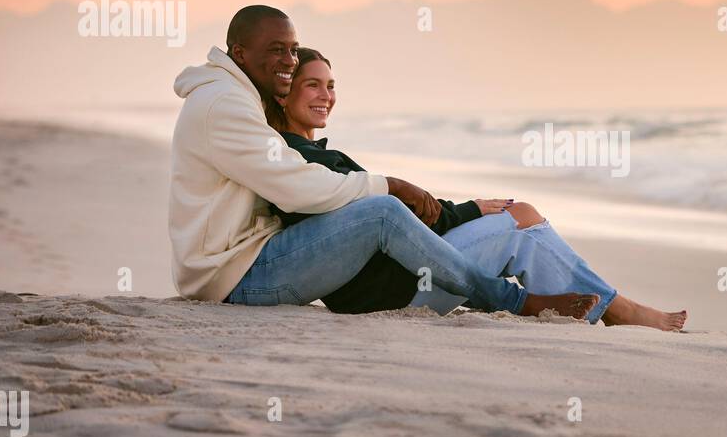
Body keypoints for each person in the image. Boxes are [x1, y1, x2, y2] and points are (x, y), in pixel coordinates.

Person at [168, 5, 598, 320]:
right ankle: (516, 300)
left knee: (385, 209)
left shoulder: (230, 97)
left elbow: (296, 178)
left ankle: (597, 306)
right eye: (276, 49)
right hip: (236, 279)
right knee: (382, 211)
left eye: (293, 50)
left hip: (238, 266)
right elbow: (297, 187)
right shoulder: (225, 104)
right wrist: (389, 185)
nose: (288, 61)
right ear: (239, 53)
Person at [262, 47, 688, 331]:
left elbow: (415, 214)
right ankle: (615, 309)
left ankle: (593, 306)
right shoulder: (301, 160)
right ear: (284, 95)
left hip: (393, 282)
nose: (326, 96)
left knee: (521, 222)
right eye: (312, 85)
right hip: (398, 291)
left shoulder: (299, 156)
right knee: (522, 217)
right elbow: (410, 214)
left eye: (331, 85)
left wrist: (466, 209)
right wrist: (470, 209)